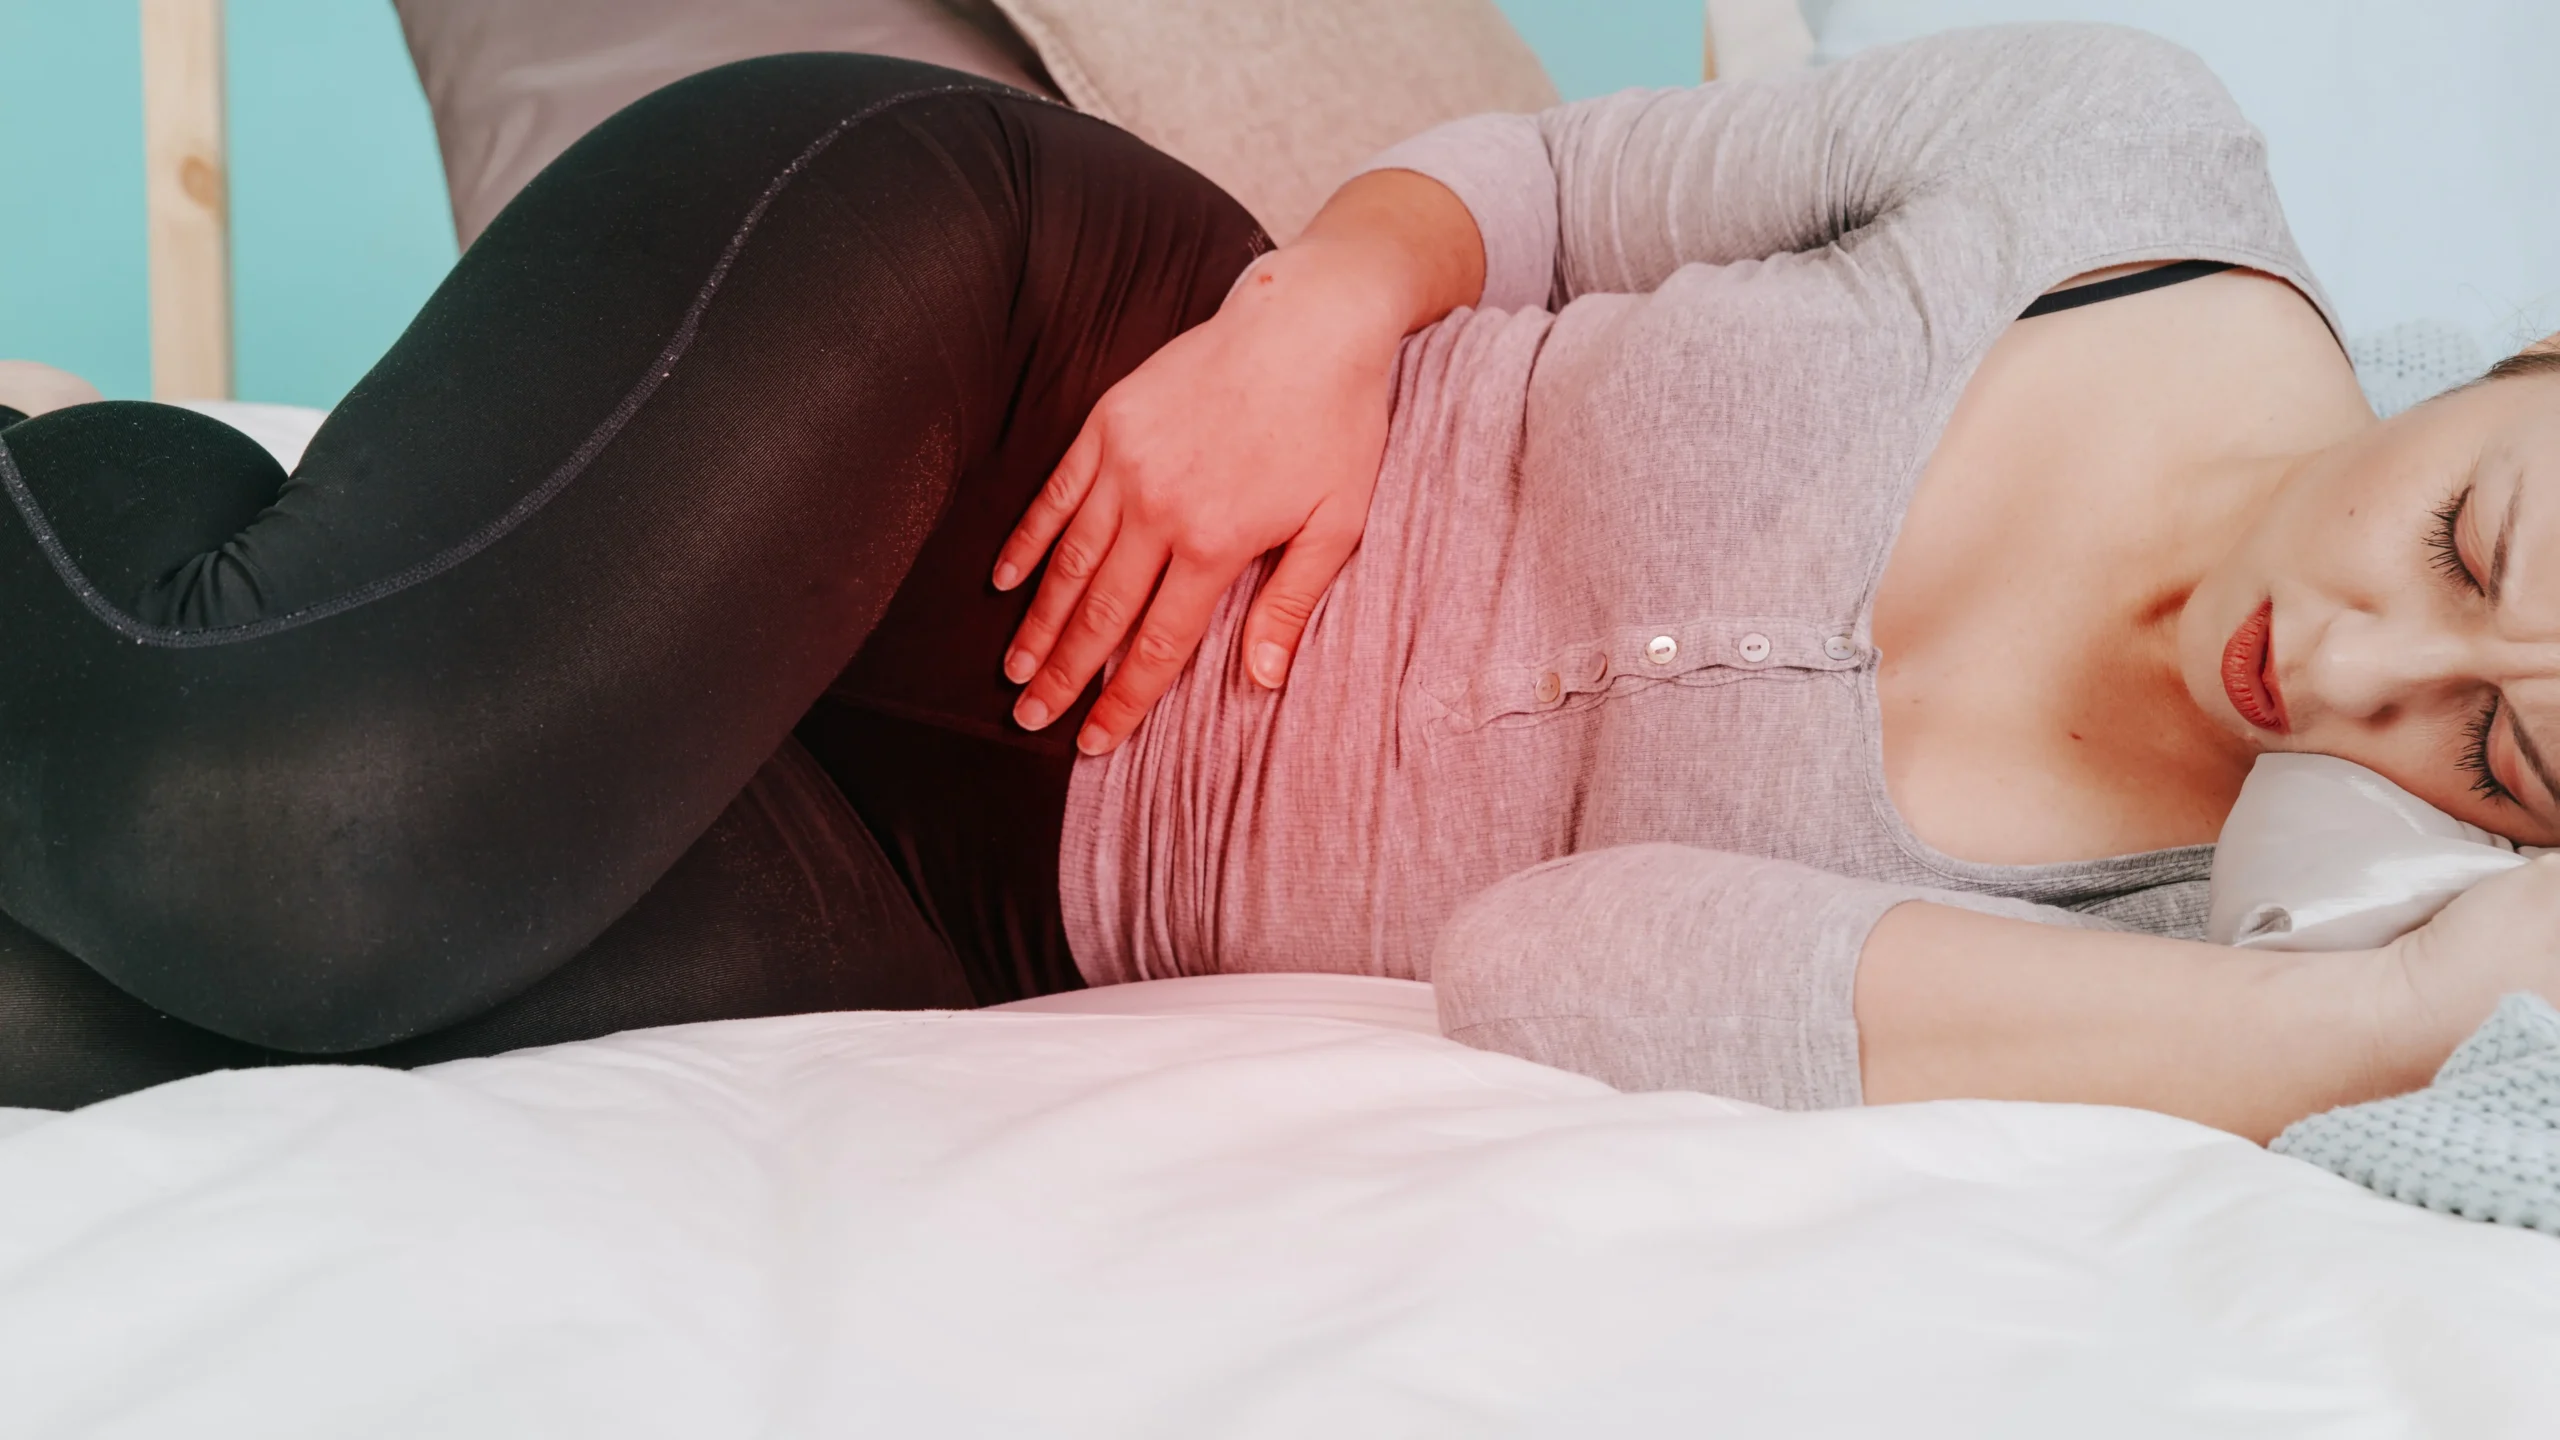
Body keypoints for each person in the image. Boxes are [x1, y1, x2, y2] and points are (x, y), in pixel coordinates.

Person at [4, 29, 2556, 1137]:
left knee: (90, 1005)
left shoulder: (2170, 940)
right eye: (2466, 545)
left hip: (994, 906)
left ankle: (130, 507)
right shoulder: (2123, 163)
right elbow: (1553, 187)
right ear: (2522, 362)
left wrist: (2371, 1017)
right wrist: (1322, 311)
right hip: (1023, 374)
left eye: (2484, 746)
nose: (2336, 675)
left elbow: (1552, 966)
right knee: (285, 860)